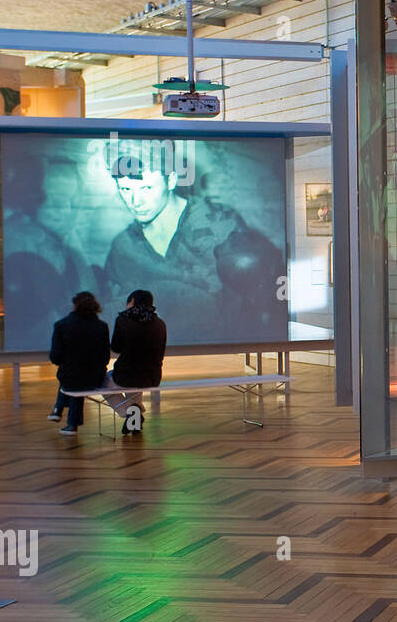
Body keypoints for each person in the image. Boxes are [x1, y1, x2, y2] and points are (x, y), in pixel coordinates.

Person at [103, 153, 285, 343]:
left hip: (221, 351)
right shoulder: (123, 246)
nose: (135, 201)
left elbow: (260, 301)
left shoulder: (221, 226)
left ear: (171, 180)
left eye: (146, 188)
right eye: (125, 189)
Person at [103, 290, 167, 435]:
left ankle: (129, 412)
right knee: (137, 385)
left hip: (125, 375)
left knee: (104, 383)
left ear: (132, 301)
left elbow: (116, 347)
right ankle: (135, 422)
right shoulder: (160, 323)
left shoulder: (123, 320)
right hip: (152, 377)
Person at [47, 291, 110, 436]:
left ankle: (62, 413)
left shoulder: (61, 325)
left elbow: (55, 358)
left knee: (71, 379)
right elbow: (105, 358)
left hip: (70, 377)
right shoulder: (102, 327)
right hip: (95, 378)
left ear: (74, 305)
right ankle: (63, 415)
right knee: (78, 378)